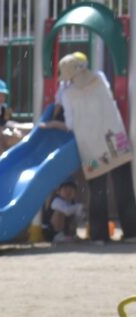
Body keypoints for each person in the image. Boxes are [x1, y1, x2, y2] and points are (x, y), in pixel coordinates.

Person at [43, 52, 136, 243]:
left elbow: (70, 124)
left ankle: (99, 235)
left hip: (92, 146)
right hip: (115, 139)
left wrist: (53, 124)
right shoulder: (100, 78)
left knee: (97, 190)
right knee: (124, 186)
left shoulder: (68, 94)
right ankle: (132, 232)